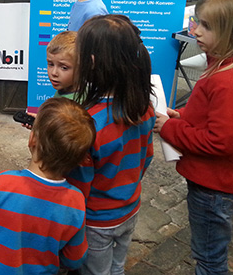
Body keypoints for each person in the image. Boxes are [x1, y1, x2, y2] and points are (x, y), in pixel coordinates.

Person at [154, 0, 233, 275]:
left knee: (209, 259)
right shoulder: (224, 69)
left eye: (207, 26)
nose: (196, 31)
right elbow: (212, 117)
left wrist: (170, 129)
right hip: (210, 183)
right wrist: (182, 116)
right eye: (197, 22)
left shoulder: (228, 80)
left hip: (213, 188)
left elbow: (220, 142)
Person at [0, 97, 96, 274]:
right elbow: (74, 259)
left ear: (32, 139)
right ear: (79, 159)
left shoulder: (1, 184)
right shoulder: (76, 202)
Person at [66, 14, 154, 275]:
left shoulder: (88, 124)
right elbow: (146, 157)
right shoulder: (145, 108)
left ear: (91, 62)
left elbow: (79, 183)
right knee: (117, 267)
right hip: (130, 208)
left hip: (97, 221)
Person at [47, 31, 78, 100]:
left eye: (64, 68)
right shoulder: (63, 92)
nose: (54, 73)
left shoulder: (74, 103)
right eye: (51, 64)